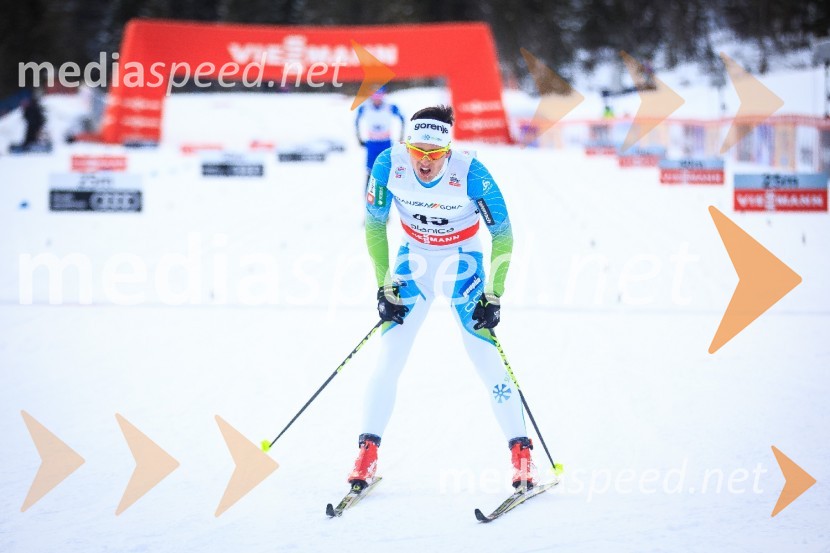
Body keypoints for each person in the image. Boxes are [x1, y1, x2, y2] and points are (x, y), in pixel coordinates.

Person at [348, 105, 537, 492]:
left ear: (448, 151)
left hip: (461, 267)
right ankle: (365, 455)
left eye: (434, 155)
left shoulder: (472, 173)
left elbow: (503, 234)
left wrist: (494, 294)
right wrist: (383, 284)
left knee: (486, 359)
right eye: (418, 152)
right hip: (412, 265)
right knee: (389, 358)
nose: (425, 163)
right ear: (408, 145)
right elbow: (373, 225)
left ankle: (521, 456)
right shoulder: (389, 163)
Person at [355, 88, 405, 184]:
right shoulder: (365, 108)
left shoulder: (390, 107)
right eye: (374, 96)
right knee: (370, 169)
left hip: (385, 142)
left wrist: (401, 137)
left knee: (386, 167)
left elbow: (402, 119)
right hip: (372, 143)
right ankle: (368, 193)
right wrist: (359, 138)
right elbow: (356, 122)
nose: (377, 99)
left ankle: (387, 191)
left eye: (379, 95)